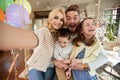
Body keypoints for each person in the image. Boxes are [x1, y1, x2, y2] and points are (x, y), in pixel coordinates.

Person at [0, 7, 66, 80]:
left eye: (61, 20)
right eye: (56, 18)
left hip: (50, 65)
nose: (58, 21)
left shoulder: (59, 36)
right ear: (50, 19)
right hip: (36, 65)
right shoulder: (44, 30)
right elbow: (36, 36)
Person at [53, 4, 108, 78]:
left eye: (75, 18)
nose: (72, 21)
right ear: (65, 21)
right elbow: (52, 50)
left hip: (83, 73)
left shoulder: (86, 34)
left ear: (79, 19)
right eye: (68, 18)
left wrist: (84, 66)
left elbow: (104, 57)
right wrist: (55, 61)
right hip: (65, 70)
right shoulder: (62, 34)